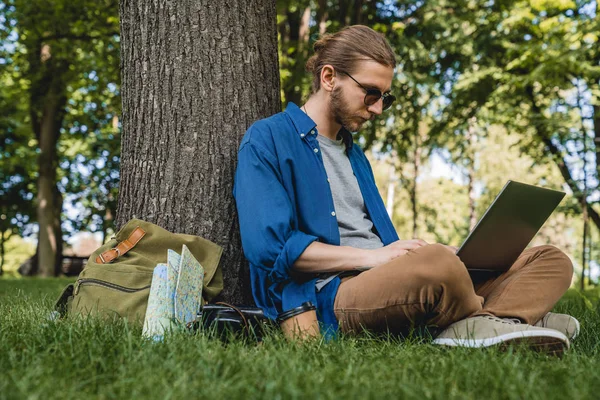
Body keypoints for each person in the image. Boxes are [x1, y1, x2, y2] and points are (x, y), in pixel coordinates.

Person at [233, 25, 578, 353]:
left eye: (385, 97)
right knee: (439, 265)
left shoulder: (355, 156)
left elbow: (383, 245)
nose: (378, 109)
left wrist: (421, 254)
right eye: (370, 93)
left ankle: (486, 323)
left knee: (550, 259)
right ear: (329, 77)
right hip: (329, 294)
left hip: (387, 277)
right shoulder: (267, 139)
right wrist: (374, 258)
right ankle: (504, 318)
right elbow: (270, 249)